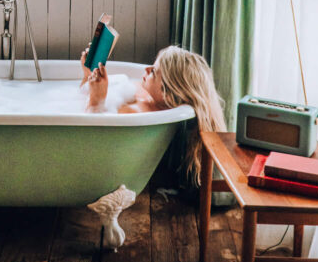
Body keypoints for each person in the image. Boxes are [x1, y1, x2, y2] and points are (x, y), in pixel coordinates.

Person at [80, 45, 225, 183]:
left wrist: (95, 100)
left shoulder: (136, 114)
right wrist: (88, 76)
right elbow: (82, 100)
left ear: (167, 92)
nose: (147, 69)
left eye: (154, 71)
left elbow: (89, 141)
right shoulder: (138, 91)